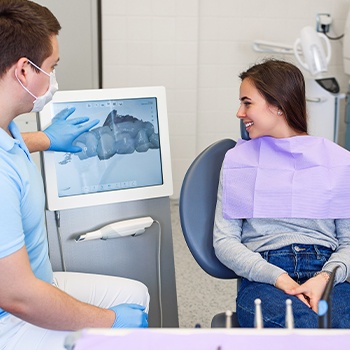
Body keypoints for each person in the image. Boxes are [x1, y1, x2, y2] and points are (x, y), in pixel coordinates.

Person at [0, 1, 149, 349]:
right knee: (122, 328)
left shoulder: (8, 126)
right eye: (51, 67)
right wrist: (109, 322)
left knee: (136, 294)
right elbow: (16, 295)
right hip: (11, 317)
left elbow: (12, 148)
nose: (53, 80)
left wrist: (48, 139)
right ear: (24, 71)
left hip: (38, 281)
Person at [213, 59, 350, 328]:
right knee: (302, 331)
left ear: (277, 105)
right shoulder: (238, 161)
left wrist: (324, 278)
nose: (239, 113)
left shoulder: (338, 161)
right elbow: (224, 241)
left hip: (329, 272)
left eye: (247, 102)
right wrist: (280, 278)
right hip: (266, 277)